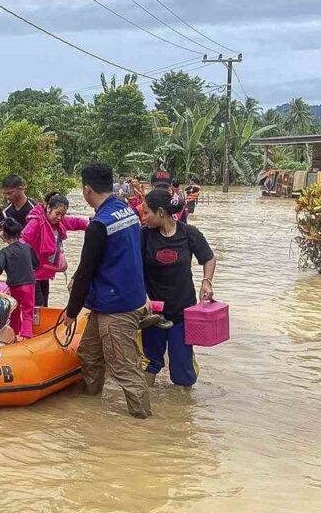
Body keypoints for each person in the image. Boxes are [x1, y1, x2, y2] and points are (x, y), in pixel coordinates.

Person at [60, 163, 152, 419]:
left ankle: (145, 426)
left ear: (87, 190)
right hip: (117, 299)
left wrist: (71, 312)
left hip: (117, 308)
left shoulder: (99, 225)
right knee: (88, 355)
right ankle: (91, 411)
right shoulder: (129, 211)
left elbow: (85, 273)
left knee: (125, 370)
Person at [141, 189, 216, 387]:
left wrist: (206, 281)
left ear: (160, 213)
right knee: (149, 363)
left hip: (182, 312)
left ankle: (183, 412)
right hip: (152, 314)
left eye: (146, 212)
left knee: (182, 371)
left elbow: (208, 258)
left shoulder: (189, 233)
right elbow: (133, 269)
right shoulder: (144, 236)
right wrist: (142, 295)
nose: (143, 216)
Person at [22, 192, 89, 307]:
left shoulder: (60, 221)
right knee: (38, 307)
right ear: (48, 208)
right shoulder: (36, 222)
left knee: (44, 305)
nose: (60, 218)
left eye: (63, 215)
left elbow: (76, 222)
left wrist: (92, 224)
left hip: (44, 274)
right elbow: (22, 241)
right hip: (32, 274)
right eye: (57, 213)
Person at [0, 217, 39, 339]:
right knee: (27, 312)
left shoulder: (4, 252)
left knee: (15, 311)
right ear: (19, 233)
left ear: (5, 235)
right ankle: (26, 336)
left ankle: (14, 335)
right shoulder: (27, 248)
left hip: (14, 285)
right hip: (29, 284)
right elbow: (36, 264)